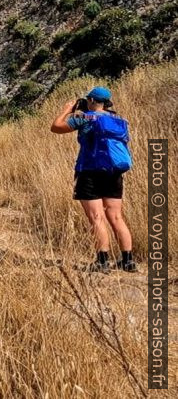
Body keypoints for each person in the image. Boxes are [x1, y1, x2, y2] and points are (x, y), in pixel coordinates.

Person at [50, 86, 136, 273]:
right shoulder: (119, 120)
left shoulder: (85, 118)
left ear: (91, 100)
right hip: (114, 171)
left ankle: (102, 261)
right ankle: (128, 261)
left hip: (90, 171)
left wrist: (67, 109)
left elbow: (56, 127)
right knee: (116, 216)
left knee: (97, 217)